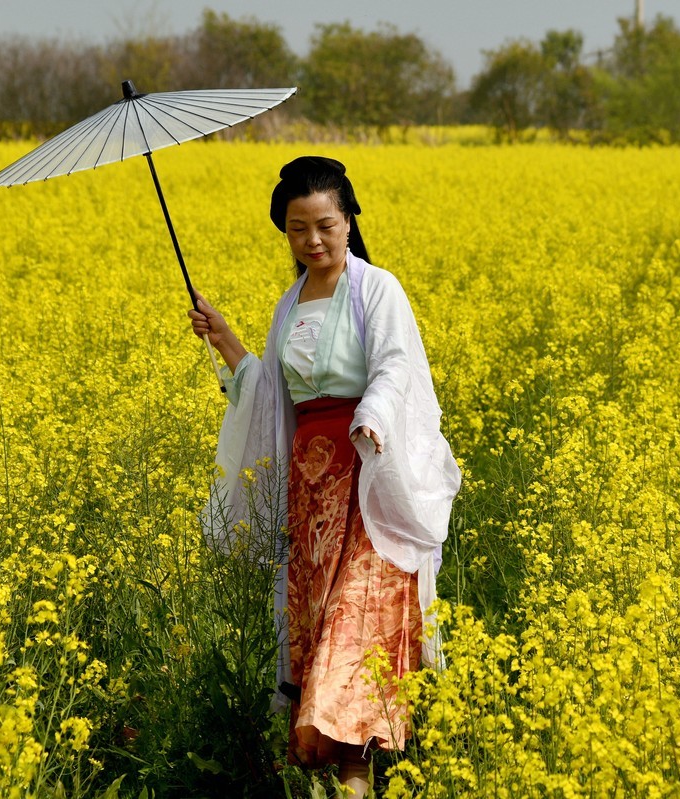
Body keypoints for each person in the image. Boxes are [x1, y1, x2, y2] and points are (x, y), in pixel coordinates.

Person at [188, 155, 460, 796]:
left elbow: (395, 366)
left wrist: (374, 416)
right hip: (311, 494)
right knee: (323, 625)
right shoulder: (289, 305)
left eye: (325, 226)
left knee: (353, 627)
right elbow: (272, 399)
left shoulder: (377, 288)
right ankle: (348, 781)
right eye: (297, 229)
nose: (313, 240)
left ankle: (355, 777)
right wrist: (225, 339)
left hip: (369, 480)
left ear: (349, 222)